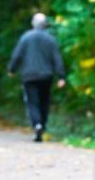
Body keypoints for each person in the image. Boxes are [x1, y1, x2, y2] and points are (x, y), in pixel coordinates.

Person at [8, 13, 66, 142]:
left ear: (33, 23)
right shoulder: (50, 39)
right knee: (44, 101)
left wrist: (12, 70)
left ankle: (37, 124)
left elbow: (17, 55)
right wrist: (61, 76)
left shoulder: (26, 37)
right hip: (46, 76)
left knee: (32, 102)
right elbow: (57, 58)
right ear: (45, 24)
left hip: (29, 76)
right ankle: (43, 126)